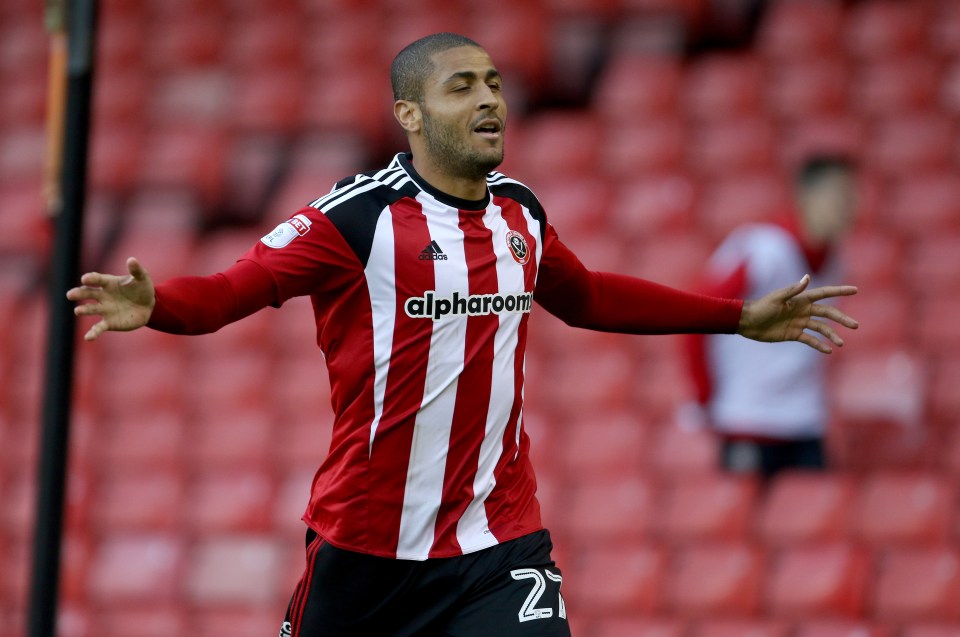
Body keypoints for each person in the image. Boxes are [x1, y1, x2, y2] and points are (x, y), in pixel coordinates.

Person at [67, 33, 858, 637]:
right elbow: (228, 291)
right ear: (410, 115)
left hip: (496, 541)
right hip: (366, 550)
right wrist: (158, 303)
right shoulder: (352, 219)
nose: (489, 100)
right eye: (461, 86)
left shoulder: (519, 212)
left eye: (494, 83)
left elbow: (587, 297)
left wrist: (736, 316)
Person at [681, 155, 858, 481]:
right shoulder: (763, 250)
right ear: (808, 197)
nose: (850, 207)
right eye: (840, 196)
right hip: (748, 418)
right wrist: (704, 396)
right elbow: (696, 314)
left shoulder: (835, 261)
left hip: (805, 419)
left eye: (852, 196)